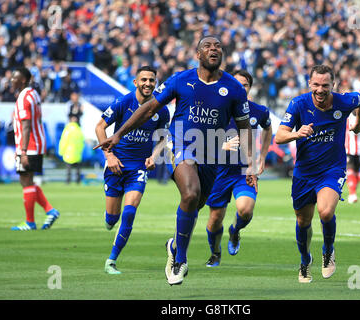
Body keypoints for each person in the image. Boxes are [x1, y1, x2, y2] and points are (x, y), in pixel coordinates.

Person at [94, 35, 257, 285]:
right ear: (198, 53)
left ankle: (174, 246)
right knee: (190, 194)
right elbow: (149, 109)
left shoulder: (234, 88)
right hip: (181, 143)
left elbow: (245, 127)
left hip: (212, 152)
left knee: (195, 204)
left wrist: (251, 166)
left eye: (218, 48)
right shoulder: (181, 79)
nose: (213, 50)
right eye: (207, 47)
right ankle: (180, 258)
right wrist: (117, 135)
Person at [275, 65, 360, 283]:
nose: (320, 89)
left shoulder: (345, 102)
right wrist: (297, 134)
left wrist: (359, 121)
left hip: (332, 169)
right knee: (302, 222)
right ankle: (305, 260)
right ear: (309, 84)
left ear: (332, 85)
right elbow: (279, 136)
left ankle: (328, 250)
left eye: (325, 85)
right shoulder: (298, 104)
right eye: (316, 84)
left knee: (326, 212)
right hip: (304, 173)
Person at [94, 66, 170, 274]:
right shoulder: (123, 102)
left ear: (156, 83)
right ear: (136, 82)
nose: (148, 83)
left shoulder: (161, 109)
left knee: (129, 213)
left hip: (138, 167)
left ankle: (111, 260)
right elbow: (100, 127)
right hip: (116, 165)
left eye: (151, 80)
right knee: (112, 218)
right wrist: (109, 156)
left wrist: (154, 156)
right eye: (144, 80)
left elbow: (164, 137)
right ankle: (110, 218)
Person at [204, 69, 272, 267]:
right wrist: (220, 145)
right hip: (218, 172)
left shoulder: (258, 111)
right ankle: (215, 253)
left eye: (245, 85)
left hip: (244, 171)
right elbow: (198, 136)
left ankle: (235, 231)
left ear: (249, 88)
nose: (241, 88)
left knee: (245, 210)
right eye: (237, 83)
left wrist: (262, 157)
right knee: (215, 220)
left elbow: (268, 128)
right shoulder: (215, 109)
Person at [10, 67, 60, 231]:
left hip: (29, 146)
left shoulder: (24, 98)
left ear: (23, 80)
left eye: (14, 78)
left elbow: (25, 125)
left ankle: (30, 222)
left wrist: (23, 151)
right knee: (27, 180)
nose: (11, 81)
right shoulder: (33, 93)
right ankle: (50, 210)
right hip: (36, 143)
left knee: (25, 180)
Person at [58, 115, 85, 184]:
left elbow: (64, 140)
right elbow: (82, 141)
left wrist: (61, 151)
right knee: (77, 168)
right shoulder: (78, 129)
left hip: (69, 151)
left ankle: (68, 181)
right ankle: (78, 181)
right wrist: (80, 150)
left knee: (69, 168)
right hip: (77, 152)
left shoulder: (67, 129)